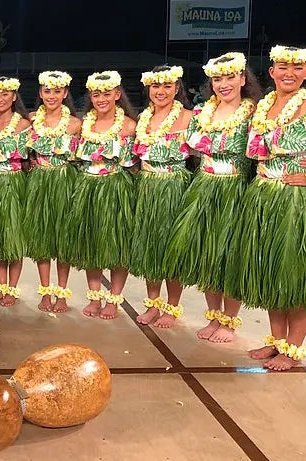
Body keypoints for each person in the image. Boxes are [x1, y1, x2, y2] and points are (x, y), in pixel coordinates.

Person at [225, 46, 306, 371]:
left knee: (297, 274)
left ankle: (293, 347)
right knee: (271, 270)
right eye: (282, 67)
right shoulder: (264, 108)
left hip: (297, 200)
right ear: (271, 72)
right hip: (263, 197)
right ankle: (276, 341)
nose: (288, 72)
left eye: (297, 67)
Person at [163, 53, 262, 342]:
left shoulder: (255, 112)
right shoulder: (203, 113)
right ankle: (213, 315)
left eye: (230, 77)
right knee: (208, 254)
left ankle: (229, 321)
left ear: (243, 79)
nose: (223, 84)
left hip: (236, 190)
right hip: (205, 187)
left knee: (230, 257)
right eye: (217, 79)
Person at [66, 71, 138, 320]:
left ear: (117, 94)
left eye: (106, 94)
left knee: (117, 245)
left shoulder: (129, 126)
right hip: (88, 186)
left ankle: (114, 298)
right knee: (92, 243)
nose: (101, 99)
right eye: (96, 95)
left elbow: (134, 165)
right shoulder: (83, 125)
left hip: (116, 187)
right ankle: (94, 296)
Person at [131, 66, 194, 329]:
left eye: (167, 86)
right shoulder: (142, 120)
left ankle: (172, 306)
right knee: (150, 248)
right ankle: (153, 303)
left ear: (177, 88)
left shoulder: (191, 118)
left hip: (174, 187)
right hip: (147, 186)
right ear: (149, 89)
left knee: (171, 250)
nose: (161, 91)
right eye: (156, 86)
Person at [25, 71, 82, 313]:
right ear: (40, 93)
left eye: (57, 91)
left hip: (64, 180)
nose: (52, 96)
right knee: (42, 238)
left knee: (62, 238)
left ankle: (62, 292)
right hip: (39, 181)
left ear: (65, 93)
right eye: (47, 91)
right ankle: (45, 291)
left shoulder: (76, 124)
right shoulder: (30, 121)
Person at [0, 76, 32, 307]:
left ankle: (12, 288)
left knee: (14, 236)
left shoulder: (24, 124)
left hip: (14, 182)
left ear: (14, 96)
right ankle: (0, 286)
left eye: (4, 94)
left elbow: (30, 160)